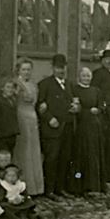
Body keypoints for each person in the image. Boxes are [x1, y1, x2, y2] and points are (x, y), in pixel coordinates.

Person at [37, 54, 79, 199]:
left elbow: (75, 102)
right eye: (58, 68)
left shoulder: (70, 84)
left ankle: (60, 188)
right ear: (53, 68)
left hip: (67, 127)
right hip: (52, 128)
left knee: (64, 158)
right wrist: (49, 118)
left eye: (63, 68)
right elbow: (40, 106)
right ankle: (48, 190)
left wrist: (76, 108)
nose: (61, 70)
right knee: (51, 158)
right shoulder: (45, 84)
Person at [71, 66, 106, 195]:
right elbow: (75, 107)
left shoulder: (96, 90)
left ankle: (95, 185)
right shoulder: (75, 90)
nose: (86, 78)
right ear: (79, 77)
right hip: (82, 126)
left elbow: (101, 105)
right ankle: (80, 185)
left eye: (88, 76)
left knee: (94, 155)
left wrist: (98, 110)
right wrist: (84, 111)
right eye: (84, 76)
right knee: (82, 155)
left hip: (94, 126)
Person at [13, 58, 44, 196]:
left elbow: (35, 102)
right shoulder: (16, 84)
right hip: (21, 117)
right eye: (23, 69)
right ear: (18, 70)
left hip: (32, 117)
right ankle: (24, 186)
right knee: (24, 150)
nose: (26, 72)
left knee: (33, 150)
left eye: (28, 69)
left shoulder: (33, 85)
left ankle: (35, 188)